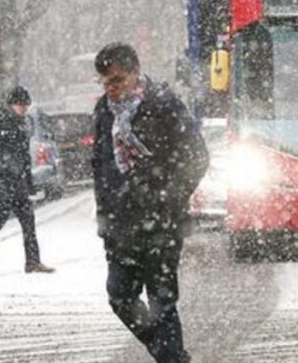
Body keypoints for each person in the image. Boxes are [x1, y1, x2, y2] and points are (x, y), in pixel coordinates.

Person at [92, 42, 209, 363]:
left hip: (161, 225)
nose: (110, 90)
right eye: (104, 83)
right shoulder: (104, 111)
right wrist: (105, 221)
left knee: (162, 304)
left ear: (134, 73)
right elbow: (101, 168)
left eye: (116, 81)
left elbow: (197, 157)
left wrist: (167, 200)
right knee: (120, 297)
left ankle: (171, 357)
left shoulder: (163, 104)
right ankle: (171, 357)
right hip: (120, 228)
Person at [0, 86, 55, 274]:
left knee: (27, 219)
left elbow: (23, 157)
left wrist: (27, 182)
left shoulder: (20, 122)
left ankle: (32, 260)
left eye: (25, 105)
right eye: (20, 105)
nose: (23, 108)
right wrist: (4, 168)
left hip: (17, 180)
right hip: (1, 181)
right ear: (11, 104)